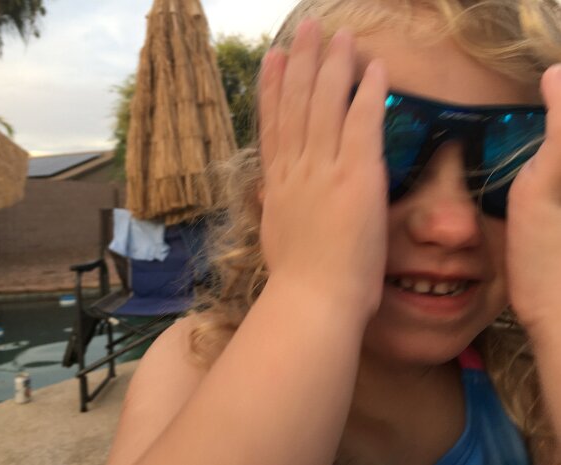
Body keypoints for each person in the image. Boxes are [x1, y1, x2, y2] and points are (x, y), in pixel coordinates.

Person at [107, 0, 561, 464]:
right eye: (380, 151)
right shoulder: (194, 362)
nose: (453, 227)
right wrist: (314, 291)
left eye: (511, 162)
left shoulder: (529, 382)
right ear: (269, 191)